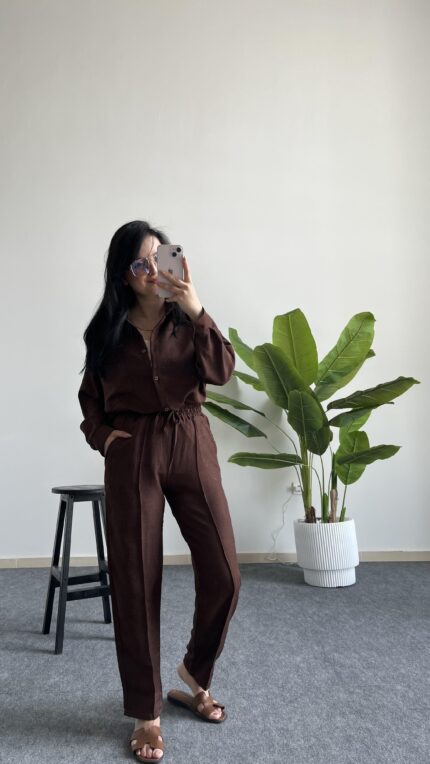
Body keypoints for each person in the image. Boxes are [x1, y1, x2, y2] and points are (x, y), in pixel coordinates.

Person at [78, 221, 241, 762]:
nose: (151, 270)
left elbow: (222, 371)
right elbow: (90, 401)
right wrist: (105, 438)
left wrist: (197, 309)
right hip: (134, 452)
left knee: (225, 572)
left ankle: (195, 673)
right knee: (135, 579)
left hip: (190, 438)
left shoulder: (188, 319)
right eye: (139, 263)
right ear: (123, 276)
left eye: (158, 258)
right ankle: (146, 712)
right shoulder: (105, 332)